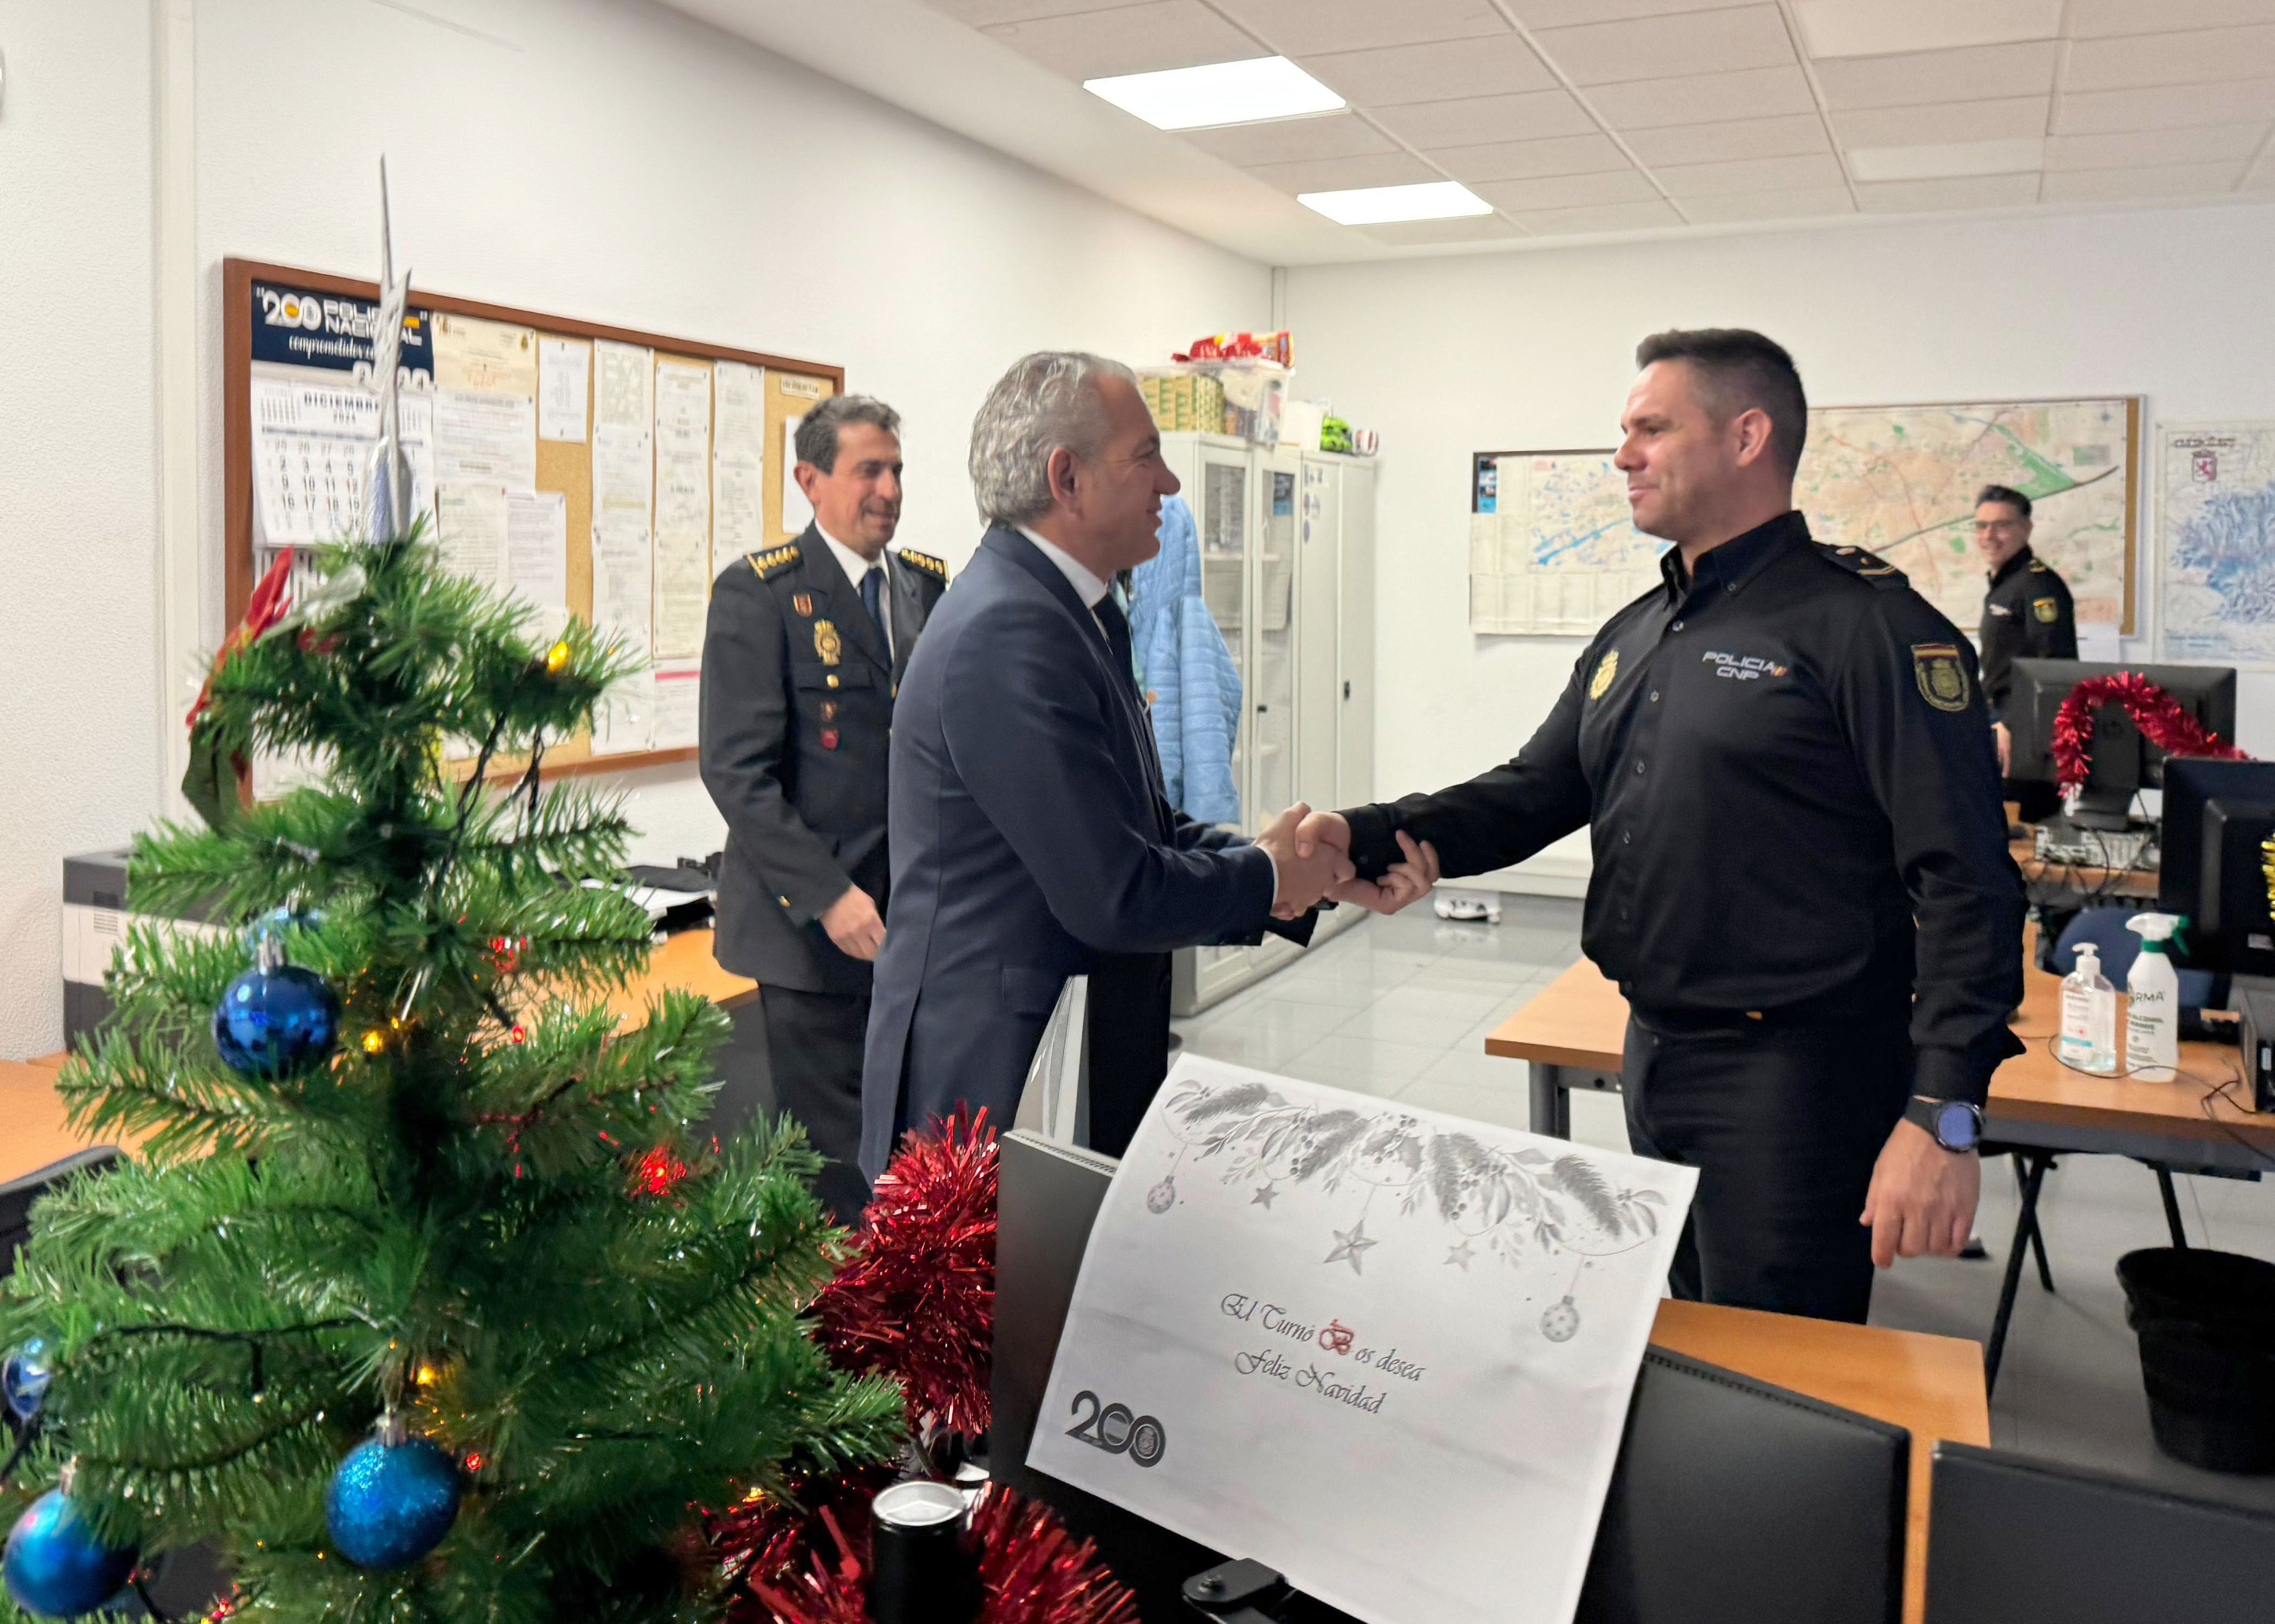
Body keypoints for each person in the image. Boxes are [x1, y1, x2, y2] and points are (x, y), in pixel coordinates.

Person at [1300, 328, 2026, 1324]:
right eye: (1624, 431)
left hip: (1799, 1078)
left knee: (1777, 1374)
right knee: (1690, 1331)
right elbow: (1534, 789)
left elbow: (1966, 880)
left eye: (1650, 427)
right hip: (1654, 1052)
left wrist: (1943, 1117)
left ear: (1746, 437)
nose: (1623, 455)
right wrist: (1368, 832)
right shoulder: (1642, 631)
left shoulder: (1867, 628)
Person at [859, 351, 1349, 1177]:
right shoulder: (1008, 632)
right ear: (1068, 478)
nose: (1170, 484)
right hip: (997, 1068)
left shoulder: (1076, 610)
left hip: (1065, 1037)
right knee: (1004, 1305)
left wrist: (1280, 861)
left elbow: (1136, 819)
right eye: (1146, 457)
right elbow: (1112, 891)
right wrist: (1268, 878)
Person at [699, 393, 950, 1223]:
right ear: (811, 480)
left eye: (897, 470)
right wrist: (828, 895)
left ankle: (908, 1323)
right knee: (838, 1164)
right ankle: (841, 1336)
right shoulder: (762, 594)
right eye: (867, 471)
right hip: (811, 929)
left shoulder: (923, 586)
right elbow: (737, 772)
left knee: (907, 1143)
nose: (888, 489)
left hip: (908, 913)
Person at [1973, 484, 2077, 807]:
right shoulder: (2005, 584)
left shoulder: (2038, 585)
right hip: (1999, 720)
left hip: (2024, 728)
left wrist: (2013, 721)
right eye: (1982, 525)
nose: (1990, 535)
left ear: (2026, 528)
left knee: (2020, 823)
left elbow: (2053, 665)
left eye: (2002, 525)